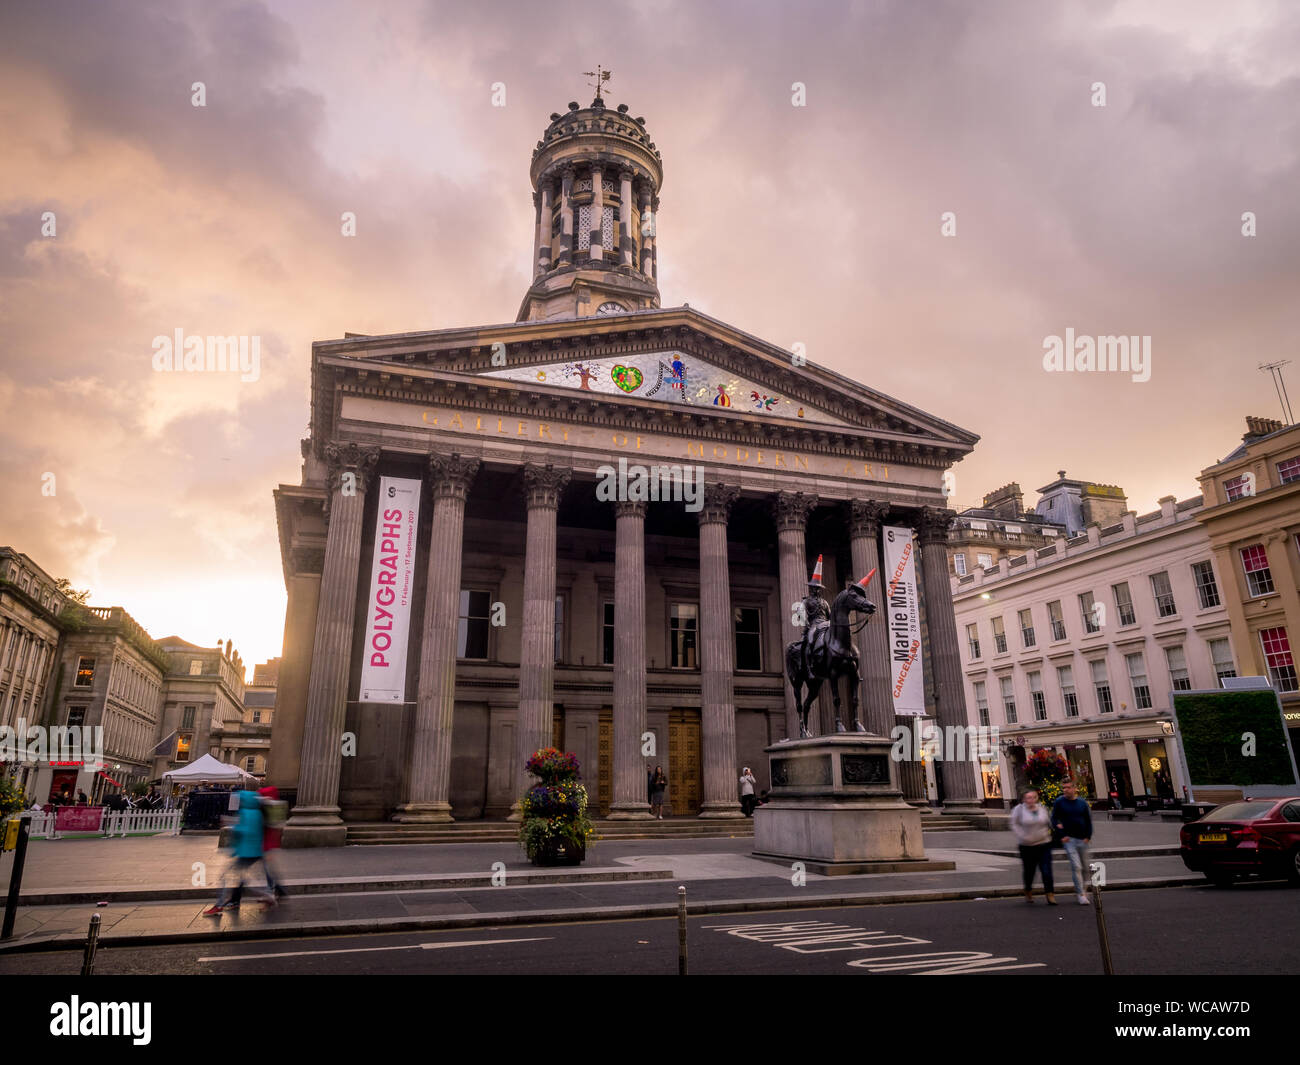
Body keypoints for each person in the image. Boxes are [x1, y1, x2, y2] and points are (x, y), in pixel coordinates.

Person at [203, 790, 274, 916]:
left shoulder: (245, 812)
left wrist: (231, 825)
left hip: (246, 853)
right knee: (243, 878)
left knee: (226, 877)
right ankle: (267, 895)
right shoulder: (257, 813)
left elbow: (245, 831)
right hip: (255, 852)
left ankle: (219, 905)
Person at [1010, 788, 1056, 904]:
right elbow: (1014, 824)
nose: (1031, 800)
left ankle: (1050, 894)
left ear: (1036, 798)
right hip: (1027, 846)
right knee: (1029, 871)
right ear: (1024, 799)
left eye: (1033, 797)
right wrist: (1022, 836)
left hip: (1044, 844)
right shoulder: (1019, 810)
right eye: (1028, 798)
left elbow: (1048, 822)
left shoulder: (1042, 808)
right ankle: (1028, 890)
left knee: (1046, 870)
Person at [1052, 779, 1094, 905]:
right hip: (1069, 839)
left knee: (1085, 868)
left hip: (1082, 839)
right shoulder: (1059, 802)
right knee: (1076, 866)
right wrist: (1061, 834)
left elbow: (1088, 820)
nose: (1066, 790)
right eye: (1064, 787)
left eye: (1068, 787)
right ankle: (1080, 894)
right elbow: (1054, 818)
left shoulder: (1082, 803)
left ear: (1075, 789)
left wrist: (1088, 836)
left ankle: (1083, 889)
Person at [257, 785, 288, 899]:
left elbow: (271, 827)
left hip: (266, 842)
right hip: (267, 841)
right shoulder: (273, 808)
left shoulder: (269, 809)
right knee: (268, 868)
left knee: (267, 868)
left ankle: (272, 890)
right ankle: (279, 889)